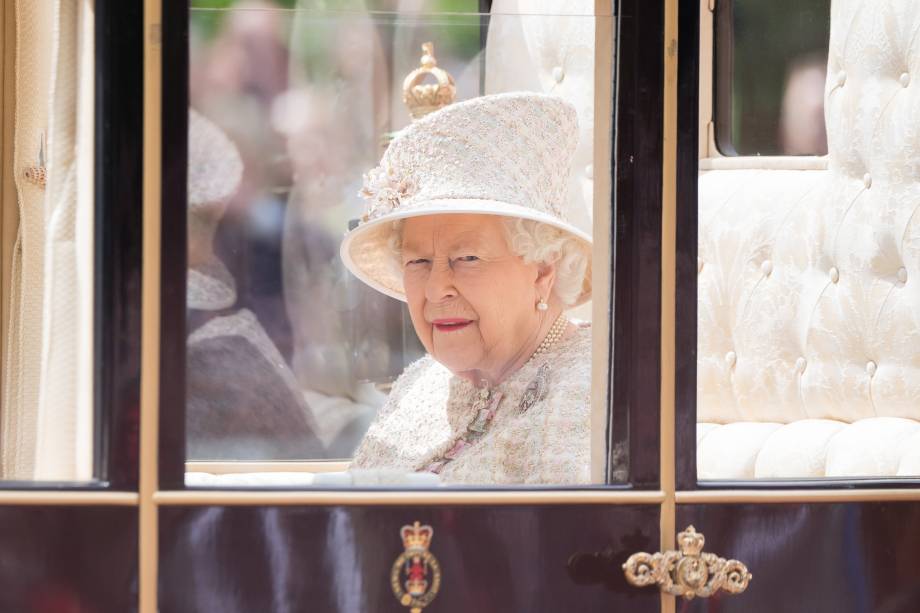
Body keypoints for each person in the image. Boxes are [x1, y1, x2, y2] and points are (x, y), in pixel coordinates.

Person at [340, 92, 593, 484]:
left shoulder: (592, 394)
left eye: (468, 259)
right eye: (418, 262)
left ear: (542, 270)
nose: (437, 289)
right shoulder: (419, 384)